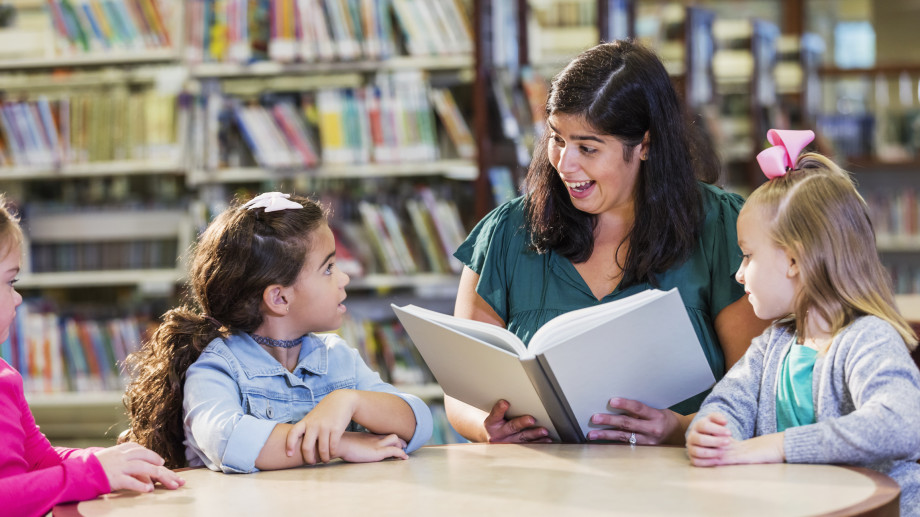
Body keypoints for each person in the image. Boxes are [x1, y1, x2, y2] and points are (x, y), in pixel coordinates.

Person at [449, 39, 767, 445]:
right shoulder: (507, 232)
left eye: (588, 147)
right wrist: (485, 426)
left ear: (646, 145)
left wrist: (678, 429)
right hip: (539, 489)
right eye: (557, 139)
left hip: (681, 486)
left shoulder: (721, 227)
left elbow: (758, 389)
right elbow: (460, 391)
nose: (565, 164)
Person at [686, 130, 920, 516]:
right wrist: (710, 433)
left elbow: (902, 423)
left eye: (747, 256)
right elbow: (725, 405)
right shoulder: (770, 345)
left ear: (794, 261)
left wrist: (778, 446)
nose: (739, 274)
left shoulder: (868, 339)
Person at [124, 192, 432, 473]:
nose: (344, 278)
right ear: (279, 298)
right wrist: (333, 444)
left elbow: (419, 423)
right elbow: (227, 439)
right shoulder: (217, 368)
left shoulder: (338, 358)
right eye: (328, 268)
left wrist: (348, 402)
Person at [0, 198, 185, 517]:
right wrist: (91, 473)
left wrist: (110, 462)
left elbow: (41, 462)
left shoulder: (5, 376)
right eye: (9, 281)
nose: (18, 298)